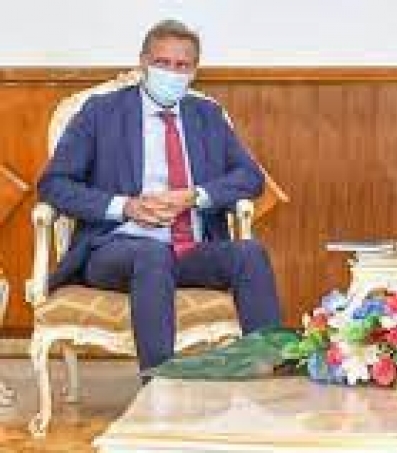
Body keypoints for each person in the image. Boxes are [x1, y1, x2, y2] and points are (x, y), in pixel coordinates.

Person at [37, 19, 283, 375]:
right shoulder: (100, 113)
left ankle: (268, 371)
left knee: (250, 254)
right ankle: (159, 385)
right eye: (162, 63)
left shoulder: (207, 116)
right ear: (143, 63)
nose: (171, 72)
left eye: (182, 65)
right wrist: (125, 207)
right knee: (152, 255)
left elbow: (250, 178)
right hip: (116, 248)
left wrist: (195, 197)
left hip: (189, 250)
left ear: (194, 71)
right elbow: (54, 184)